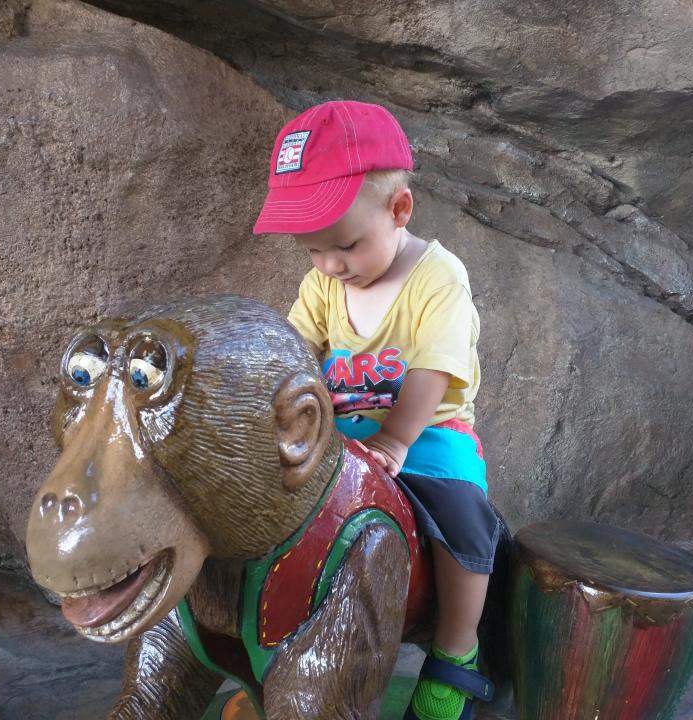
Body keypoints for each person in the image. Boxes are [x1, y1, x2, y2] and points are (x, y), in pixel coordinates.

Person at [253, 100, 499, 720]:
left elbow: (432, 371)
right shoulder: (323, 285)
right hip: (338, 437)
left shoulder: (439, 278)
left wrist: (394, 441)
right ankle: (271, 642)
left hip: (426, 434)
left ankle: (455, 653)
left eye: (345, 245)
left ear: (400, 209)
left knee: (466, 522)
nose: (330, 264)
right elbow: (292, 353)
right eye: (313, 251)